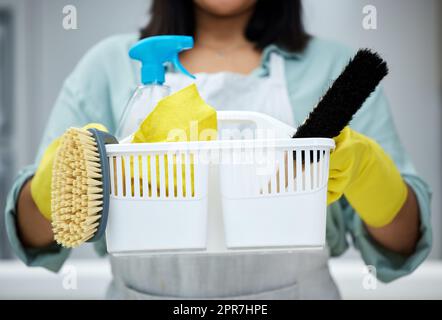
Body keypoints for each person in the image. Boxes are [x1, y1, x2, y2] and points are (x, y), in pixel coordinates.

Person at [6, 0, 432, 299]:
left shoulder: (332, 67)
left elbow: (401, 242)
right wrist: (58, 182)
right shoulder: (110, 65)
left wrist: (367, 171)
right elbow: (35, 235)